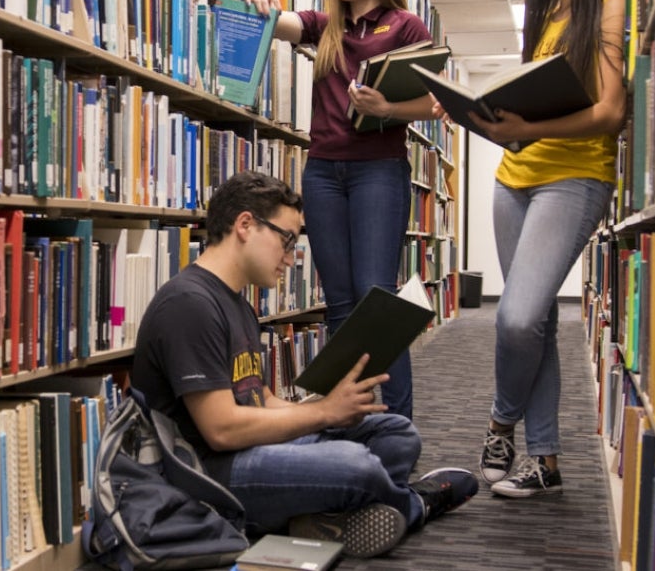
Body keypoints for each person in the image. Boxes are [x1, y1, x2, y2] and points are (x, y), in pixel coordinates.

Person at [129, 171, 478, 558]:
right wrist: (322, 414)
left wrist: (323, 412)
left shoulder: (238, 303)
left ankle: (319, 518)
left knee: (396, 434)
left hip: (252, 451)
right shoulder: (189, 304)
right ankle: (415, 505)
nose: (292, 257)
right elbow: (222, 430)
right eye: (288, 240)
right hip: (210, 474)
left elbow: (259, 399)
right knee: (355, 465)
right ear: (245, 225)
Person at [432, 0, 626, 498]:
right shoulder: (545, 17)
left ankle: (499, 422)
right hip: (514, 180)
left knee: (515, 318)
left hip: (574, 177)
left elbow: (611, 112)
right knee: (535, 319)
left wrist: (527, 129)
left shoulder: (611, 6)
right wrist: (480, 114)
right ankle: (544, 461)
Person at [244, 0, 439, 419]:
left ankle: (397, 421)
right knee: (339, 303)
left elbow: (436, 104)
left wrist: (389, 107)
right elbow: (278, 21)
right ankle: (349, 416)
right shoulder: (326, 24)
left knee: (377, 299)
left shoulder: (406, 26)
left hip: (378, 169)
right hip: (324, 172)